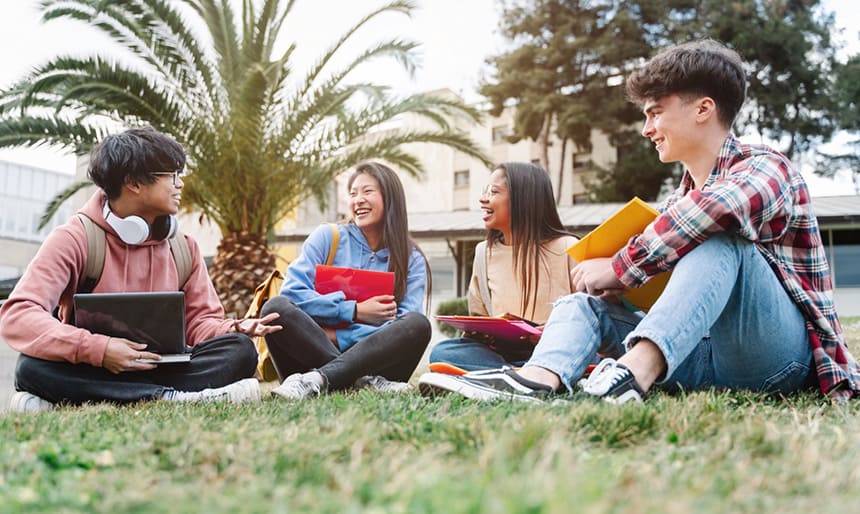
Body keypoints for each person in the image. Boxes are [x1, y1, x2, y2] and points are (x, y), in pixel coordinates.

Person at [422, 38, 860, 403]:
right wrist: (618, 290)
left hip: (775, 357)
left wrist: (618, 268)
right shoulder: (677, 198)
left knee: (718, 237)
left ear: (703, 109)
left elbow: (714, 213)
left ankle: (629, 378)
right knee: (582, 304)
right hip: (698, 353)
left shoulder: (767, 168)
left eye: (655, 112)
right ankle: (538, 380)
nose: (647, 128)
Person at [0, 127, 281, 412]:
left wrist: (234, 328)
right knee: (30, 367)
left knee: (240, 350)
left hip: (163, 365)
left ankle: (101, 398)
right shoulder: (74, 238)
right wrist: (100, 349)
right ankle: (171, 397)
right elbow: (19, 314)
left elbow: (199, 324)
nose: (180, 184)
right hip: (94, 365)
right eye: (172, 176)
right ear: (133, 183)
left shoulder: (184, 247)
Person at [261, 161, 432, 400]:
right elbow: (292, 294)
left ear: (390, 198)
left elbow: (404, 328)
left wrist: (335, 334)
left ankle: (320, 379)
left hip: (376, 365)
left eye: (367, 191)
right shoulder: (327, 237)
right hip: (312, 356)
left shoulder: (411, 259)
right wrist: (354, 311)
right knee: (275, 309)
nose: (358, 200)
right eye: (353, 194)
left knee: (418, 324)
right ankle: (358, 382)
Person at [425, 162, 578, 372]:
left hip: (556, 348)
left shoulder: (568, 247)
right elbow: (478, 317)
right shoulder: (483, 253)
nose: (483, 199)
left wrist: (550, 331)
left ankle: (518, 373)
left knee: (590, 354)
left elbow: (589, 315)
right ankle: (520, 373)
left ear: (523, 199)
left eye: (494, 191)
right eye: (485, 191)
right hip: (503, 354)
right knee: (442, 352)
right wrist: (479, 333)